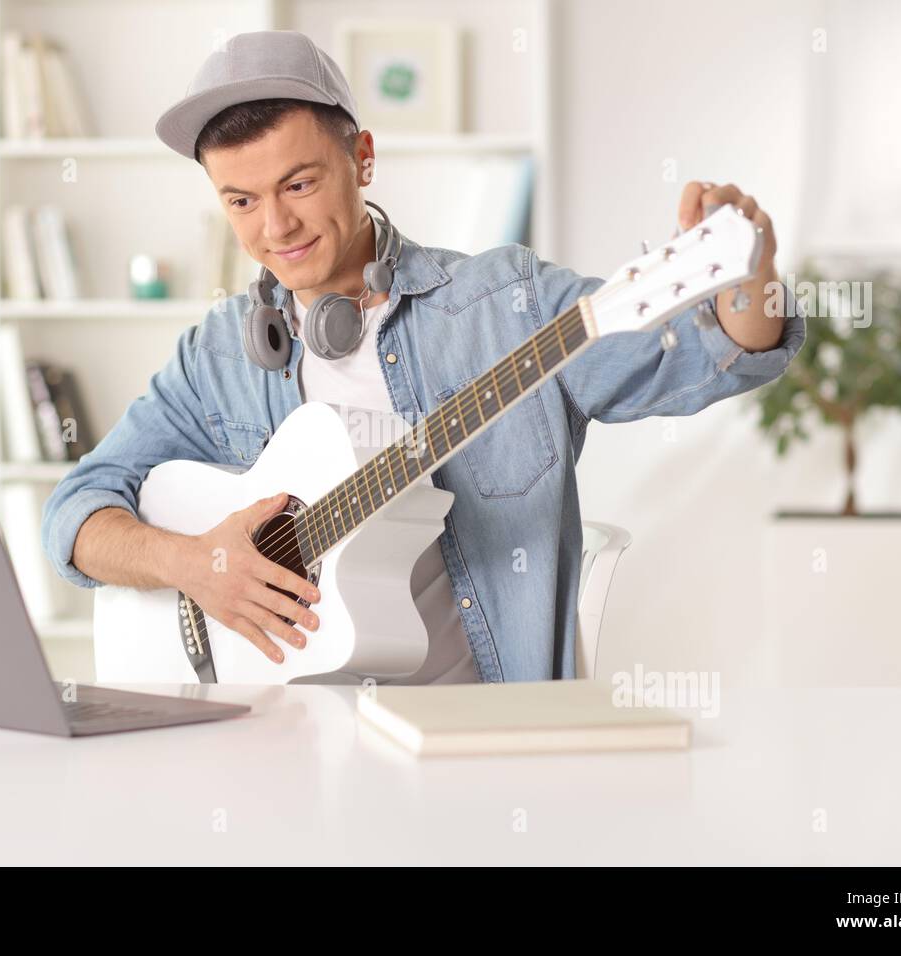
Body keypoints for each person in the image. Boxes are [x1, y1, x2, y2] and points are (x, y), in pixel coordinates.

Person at [41, 31, 805, 684]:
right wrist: (193, 565)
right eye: (240, 201)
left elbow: (702, 358)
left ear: (363, 158)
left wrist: (750, 284)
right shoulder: (216, 356)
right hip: (278, 741)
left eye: (299, 183)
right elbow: (73, 515)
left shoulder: (503, 307)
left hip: (471, 745)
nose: (275, 226)